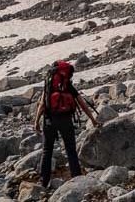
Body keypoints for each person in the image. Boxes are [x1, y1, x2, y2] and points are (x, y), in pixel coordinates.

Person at [33, 60, 99, 188]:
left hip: (49, 120)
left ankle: (44, 182)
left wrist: (36, 121)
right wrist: (92, 119)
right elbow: (81, 102)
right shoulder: (67, 84)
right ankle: (77, 178)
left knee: (47, 151)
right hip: (66, 120)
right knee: (71, 150)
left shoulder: (48, 83)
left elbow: (42, 104)